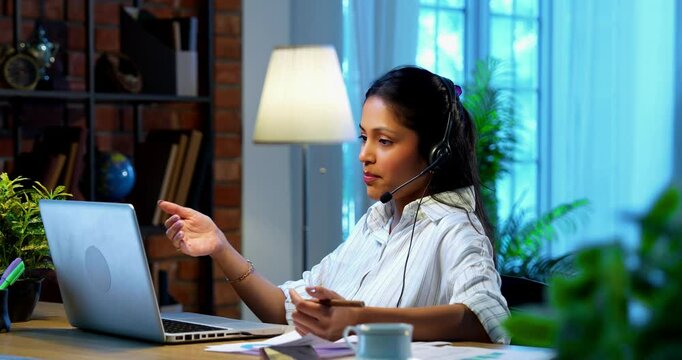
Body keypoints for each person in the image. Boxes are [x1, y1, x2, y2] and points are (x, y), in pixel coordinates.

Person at [158, 66, 510, 344]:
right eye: (363, 136)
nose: (364, 155)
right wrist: (220, 247)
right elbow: (283, 310)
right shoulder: (375, 223)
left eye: (384, 141)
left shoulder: (455, 227)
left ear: (436, 152)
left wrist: (357, 320)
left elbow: (485, 318)